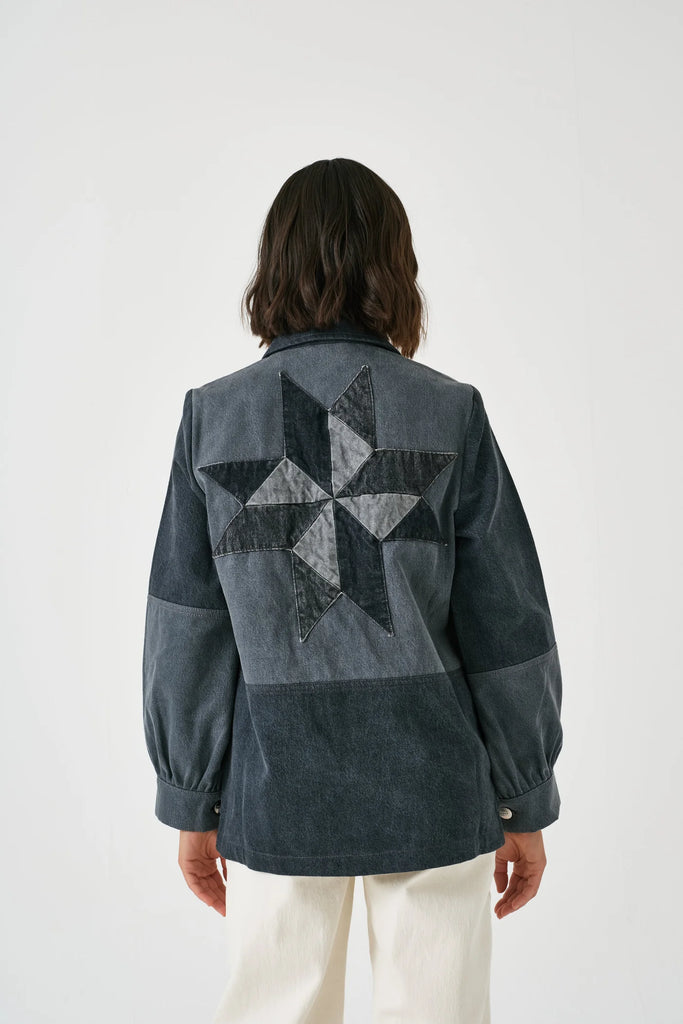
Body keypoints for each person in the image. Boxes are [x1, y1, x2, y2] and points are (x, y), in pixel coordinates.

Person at [142, 157, 564, 1024]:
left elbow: (186, 629)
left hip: (274, 786)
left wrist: (192, 795)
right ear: (395, 266)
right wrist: (523, 793)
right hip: (434, 783)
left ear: (274, 263)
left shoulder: (212, 418)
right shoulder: (449, 412)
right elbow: (507, 624)